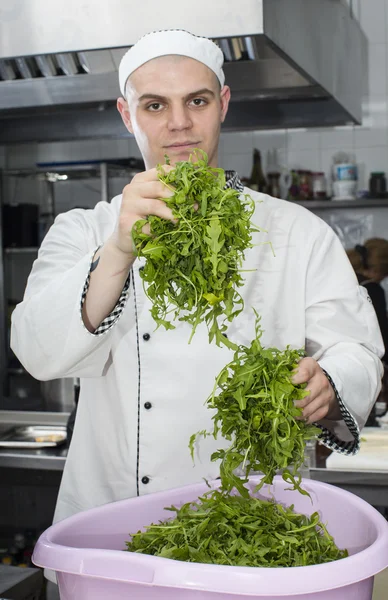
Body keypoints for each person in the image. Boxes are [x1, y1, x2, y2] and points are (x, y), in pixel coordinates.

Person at [11, 30, 383, 567]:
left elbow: (358, 350)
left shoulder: (297, 231)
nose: (179, 123)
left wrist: (331, 381)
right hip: (111, 533)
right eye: (155, 105)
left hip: (248, 527)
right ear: (126, 114)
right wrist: (117, 249)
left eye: (198, 101)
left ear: (223, 105)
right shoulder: (84, 230)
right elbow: (36, 351)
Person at [347, 239, 388, 364]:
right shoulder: (373, 290)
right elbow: (381, 336)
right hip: (361, 361)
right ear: (378, 271)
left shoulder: (344, 281)